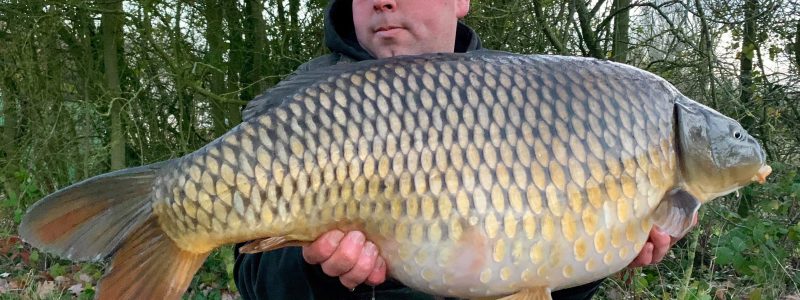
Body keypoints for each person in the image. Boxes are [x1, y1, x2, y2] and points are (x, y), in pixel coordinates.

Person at [233, 0, 689, 299]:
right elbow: (253, 280)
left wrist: (605, 251)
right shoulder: (304, 110)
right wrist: (319, 276)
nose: (383, 1)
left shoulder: (537, 100)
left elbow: (541, 270)